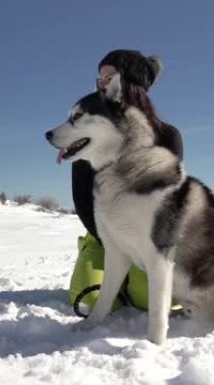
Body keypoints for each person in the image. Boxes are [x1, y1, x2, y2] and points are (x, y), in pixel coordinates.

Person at [69, 49, 184, 316]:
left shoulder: (168, 136)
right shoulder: (87, 135)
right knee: (90, 301)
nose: (101, 83)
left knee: (157, 300)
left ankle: (132, 281)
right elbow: (83, 199)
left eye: (109, 77)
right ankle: (100, 266)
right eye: (100, 79)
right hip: (104, 234)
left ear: (130, 84)